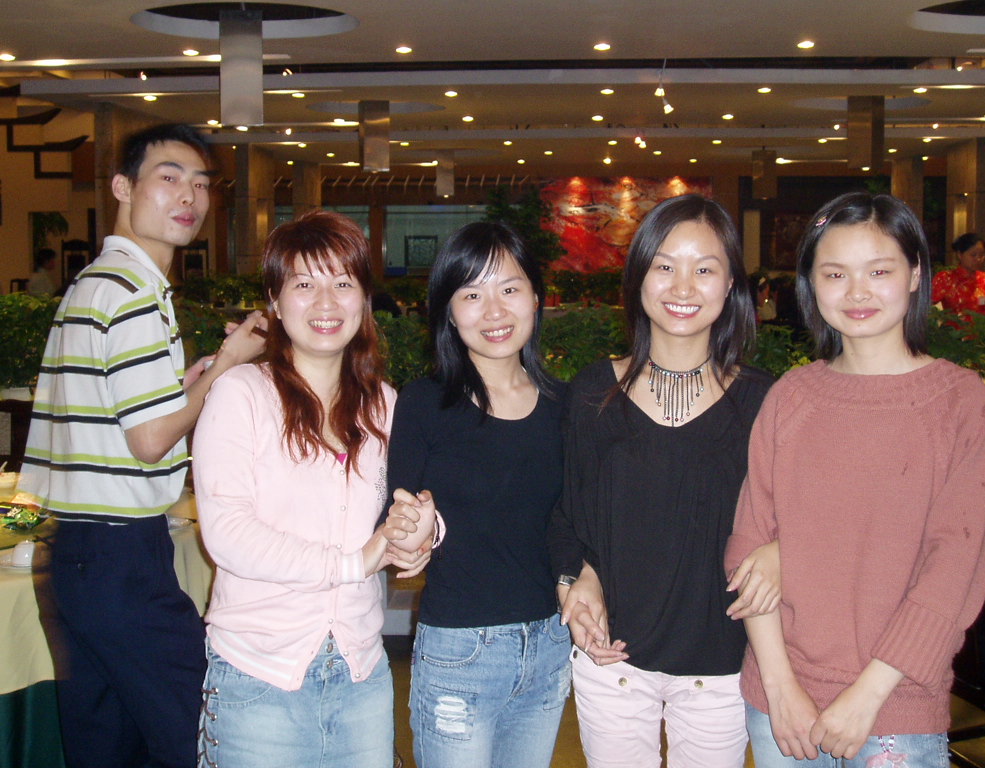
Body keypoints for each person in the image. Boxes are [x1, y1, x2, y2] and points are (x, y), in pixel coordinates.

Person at [17, 123, 268, 768]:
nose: (189, 196)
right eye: (169, 177)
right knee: (205, 732)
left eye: (201, 184)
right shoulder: (130, 294)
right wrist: (227, 366)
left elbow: (121, 413)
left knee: (107, 743)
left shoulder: (97, 283)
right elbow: (151, 440)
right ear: (123, 187)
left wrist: (187, 383)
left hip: (78, 553)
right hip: (119, 557)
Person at [727, 192, 985, 767]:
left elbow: (954, 567)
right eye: (835, 274)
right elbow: (749, 548)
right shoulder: (791, 397)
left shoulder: (960, 403)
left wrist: (868, 695)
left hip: (895, 705)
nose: (856, 292)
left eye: (879, 271)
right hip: (782, 706)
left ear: (915, 274)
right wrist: (780, 688)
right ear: (811, 284)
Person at [192, 210, 434, 768]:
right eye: (304, 284)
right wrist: (354, 563)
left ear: (364, 300)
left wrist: (420, 532)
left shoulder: (384, 403)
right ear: (275, 303)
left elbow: (411, 504)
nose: (326, 302)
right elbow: (227, 534)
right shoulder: (241, 394)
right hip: (259, 676)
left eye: (343, 283)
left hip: (361, 673)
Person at [548, 193, 779, 768]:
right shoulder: (593, 393)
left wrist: (783, 550)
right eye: (664, 266)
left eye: (704, 269)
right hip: (613, 663)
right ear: (638, 278)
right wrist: (574, 581)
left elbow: (803, 515)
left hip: (721, 668)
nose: (683, 287)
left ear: (730, 285)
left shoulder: (765, 401)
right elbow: (567, 514)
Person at [386, 220, 571, 768]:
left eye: (509, 288)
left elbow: (579, 522)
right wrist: (416, 532)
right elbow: (395, 519)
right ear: (448, 310)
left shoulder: (566, 406)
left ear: (536, 297)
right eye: (471, 294)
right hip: (460, 650)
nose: (494, 311)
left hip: (550, 644)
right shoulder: (424, 404)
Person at [932, 232, 985, 326]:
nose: (978, 259)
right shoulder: (945, 278)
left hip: (981, 333)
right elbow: (927, 308)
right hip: (953, 333)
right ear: (959, 255)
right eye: (973, 255)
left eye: (981, 255)